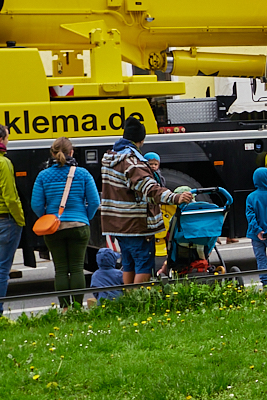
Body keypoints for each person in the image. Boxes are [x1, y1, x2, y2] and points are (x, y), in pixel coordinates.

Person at [100, 117, 191, 285]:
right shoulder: (132, 163)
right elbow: (151, 189)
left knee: (128, 264)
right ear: (141, 140)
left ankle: (128, 298)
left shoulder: (110, 158)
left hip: (117, 223)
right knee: (143, 265)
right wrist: (175, 198)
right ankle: (137, 300)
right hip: (135, 224)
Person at [31, 137, 100, 309]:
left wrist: (48, 218)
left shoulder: (43, 176)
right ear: (72, 152)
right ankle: (77, 309)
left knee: (61, 269)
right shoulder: (83, 173)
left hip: (54, 229)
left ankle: (65, 309)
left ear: (52, 154)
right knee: (77, 268)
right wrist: (85, 217)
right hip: (79, 226)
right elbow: (94, 202)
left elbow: (36, 205)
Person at [0, 124, 25, 316]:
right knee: (2, 269)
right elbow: (10, 196)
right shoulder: (4, 163)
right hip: (5, 221)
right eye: (7, 137)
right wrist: (20, 219)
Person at [143, 151, 172, 276]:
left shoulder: (159, 176)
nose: (153, 166)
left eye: (156, 164)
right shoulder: (146, 176)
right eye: (151, 164)